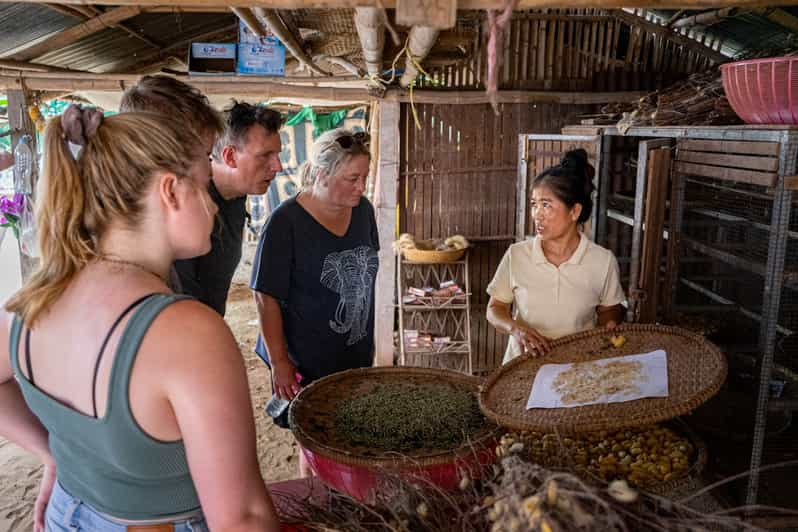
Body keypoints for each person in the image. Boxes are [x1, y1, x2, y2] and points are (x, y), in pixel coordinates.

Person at [0, 107, 280, 531]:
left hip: (68, 513)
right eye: (204, 188)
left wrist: (53, 453)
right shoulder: (189, 333)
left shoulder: (29, 305)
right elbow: (242, 519)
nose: (211, 205)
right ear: (169, 192)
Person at [250, 128, 378, 476]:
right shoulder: (286, 223)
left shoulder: (363, 211)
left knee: (351, 437)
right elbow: (265, 294)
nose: (361, 187)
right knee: (315, 441)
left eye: (364, 177)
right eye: (352, 178)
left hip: (353, 352)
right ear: (322, 174)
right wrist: (280, 361)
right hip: (304, 359)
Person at [486, 149, 626, 363]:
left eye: (546, 205)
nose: (537, 215)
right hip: (523, 367)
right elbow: (495, 309)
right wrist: (516, 329)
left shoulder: (602, 261)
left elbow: (610, 309)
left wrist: (610, 323)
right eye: (534, 204)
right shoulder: (517, 255)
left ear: (574, 212)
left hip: (578, 367)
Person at [173, 101, 284, 316]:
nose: (277, 166)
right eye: (264, 155)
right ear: (230, 157)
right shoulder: (190, 205)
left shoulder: (237, 196)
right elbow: (180, 299)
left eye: (277, 155)